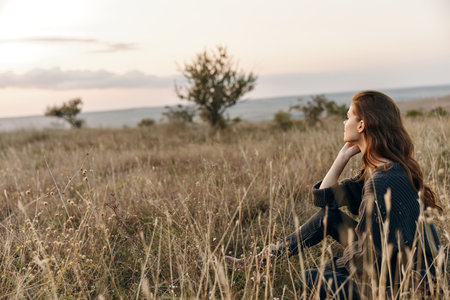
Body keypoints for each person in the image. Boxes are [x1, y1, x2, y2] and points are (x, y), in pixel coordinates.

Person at [225, 91, 442, 299]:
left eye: (348, 116)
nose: (344, 122)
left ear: (361, 124)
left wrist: (338, 266)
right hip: (394, 266)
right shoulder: (381, 169)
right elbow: (325, 199)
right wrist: (342, 157)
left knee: (311, 277)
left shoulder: (382, 181)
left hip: (406, 285)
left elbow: (373, 258)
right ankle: (264, 260)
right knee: (329, 217)